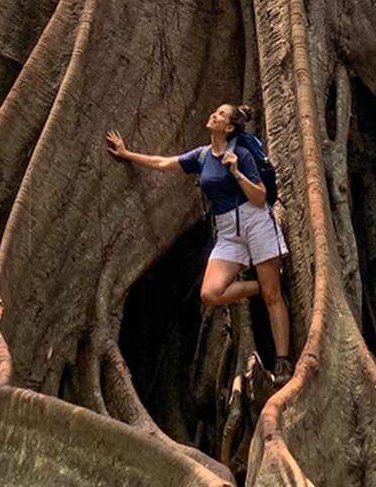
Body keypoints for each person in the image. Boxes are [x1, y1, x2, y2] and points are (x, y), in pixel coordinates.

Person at [105, 102, 293, 383]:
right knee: (210, 294)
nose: (213, 114)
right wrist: (126, 153)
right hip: (228, 231)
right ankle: (265, 285)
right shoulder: (202, 156)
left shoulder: (240, 153)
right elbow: (163, 162)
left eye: (220, 114)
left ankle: (283, 362)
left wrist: (237, 173)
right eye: (214, 111)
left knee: (273, 299)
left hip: (256, 222)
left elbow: (259, 197)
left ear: (228, 127)